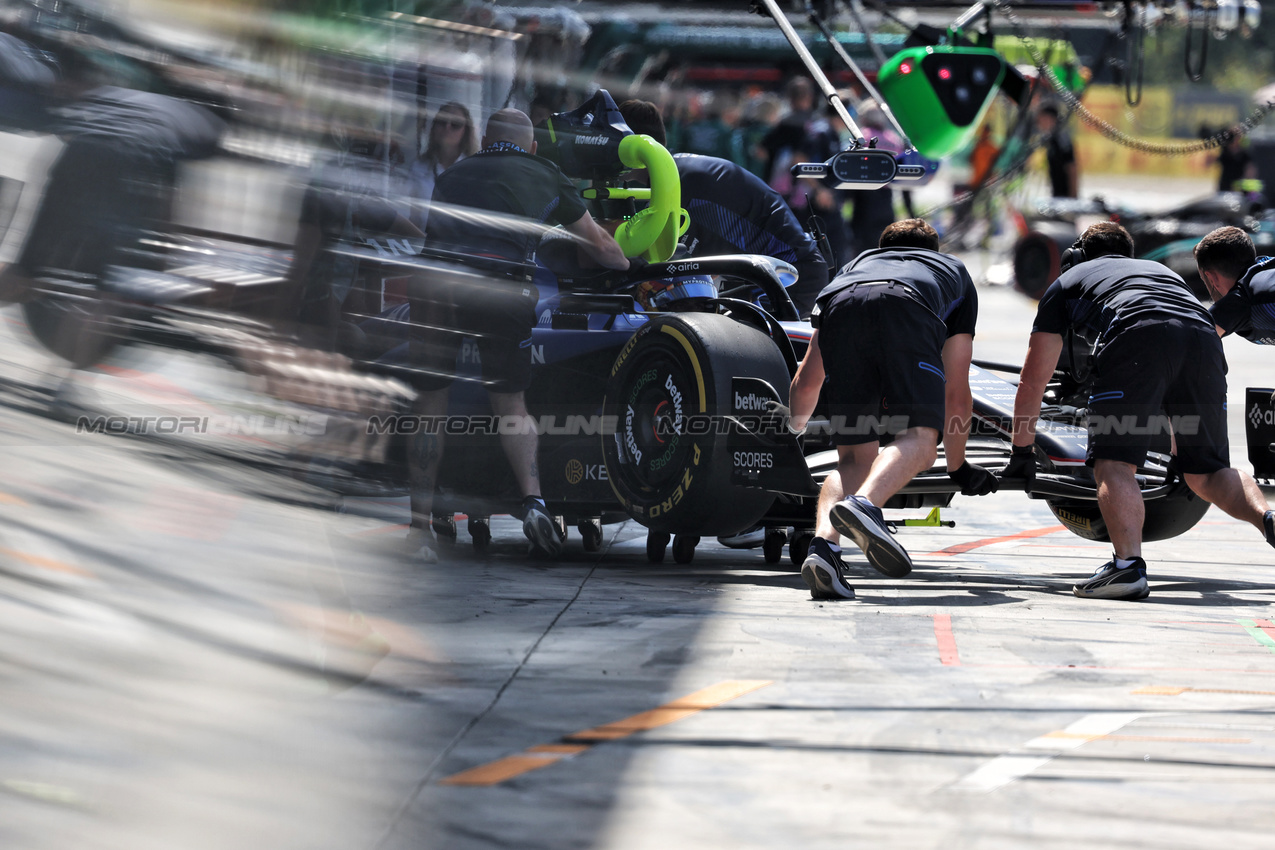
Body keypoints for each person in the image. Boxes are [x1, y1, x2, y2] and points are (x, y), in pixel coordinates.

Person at [1006, 221, 1275, 601]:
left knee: (1114, 464)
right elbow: (1175, 354)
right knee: (1208, 474)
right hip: (1202, 336)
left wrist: (1020, 452)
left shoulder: (1068, 282)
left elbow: (1033, 381)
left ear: (1077, 258)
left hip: (1135, 335)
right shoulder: (1160, 272)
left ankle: (1127, 567)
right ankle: (1268, 520)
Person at [409, 107, 628, 562]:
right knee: (510, 401)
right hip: (502, 286)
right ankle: (533, 502)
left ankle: (419, 526)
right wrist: (628, 264)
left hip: (435, 286)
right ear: (530, 146)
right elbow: (600, 246)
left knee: (431, 401)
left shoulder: (453, 173)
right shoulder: (543, 171)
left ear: (485, 139)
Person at [786, 219, 998, 599]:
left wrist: (793, 432)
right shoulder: (952, 270)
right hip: (907, 306)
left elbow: (807, 375)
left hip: (842, 308)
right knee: (918, 438)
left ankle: (823, 550)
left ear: (882, 246)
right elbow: (957, 387)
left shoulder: (854, 268)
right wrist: (957, 466)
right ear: (933, 250)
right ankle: (866, 505)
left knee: (852, 460)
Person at [617, 99, 830, 316]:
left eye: (616, 147)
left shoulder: (681, 184)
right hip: (769, 277)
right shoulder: (679, 172)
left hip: (789, 278)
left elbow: (651, 262)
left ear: (637, 147)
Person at [408, 101, 478, 232]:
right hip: (422, 242)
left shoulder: (474, 171)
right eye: (442, 121)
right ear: (434, 126)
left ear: (466, 131)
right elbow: (412, 216)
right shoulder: (419, 167)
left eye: (455, 124)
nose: (447, 127)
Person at [1036, 102, 1077, 199]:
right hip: (1057, 193)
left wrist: (1073, 195)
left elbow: (1071, 167)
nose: (1040, 123)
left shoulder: (1061, 140)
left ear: (1052, 119)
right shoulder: (1050, 139)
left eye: (1043, 119)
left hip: (1066, 195)